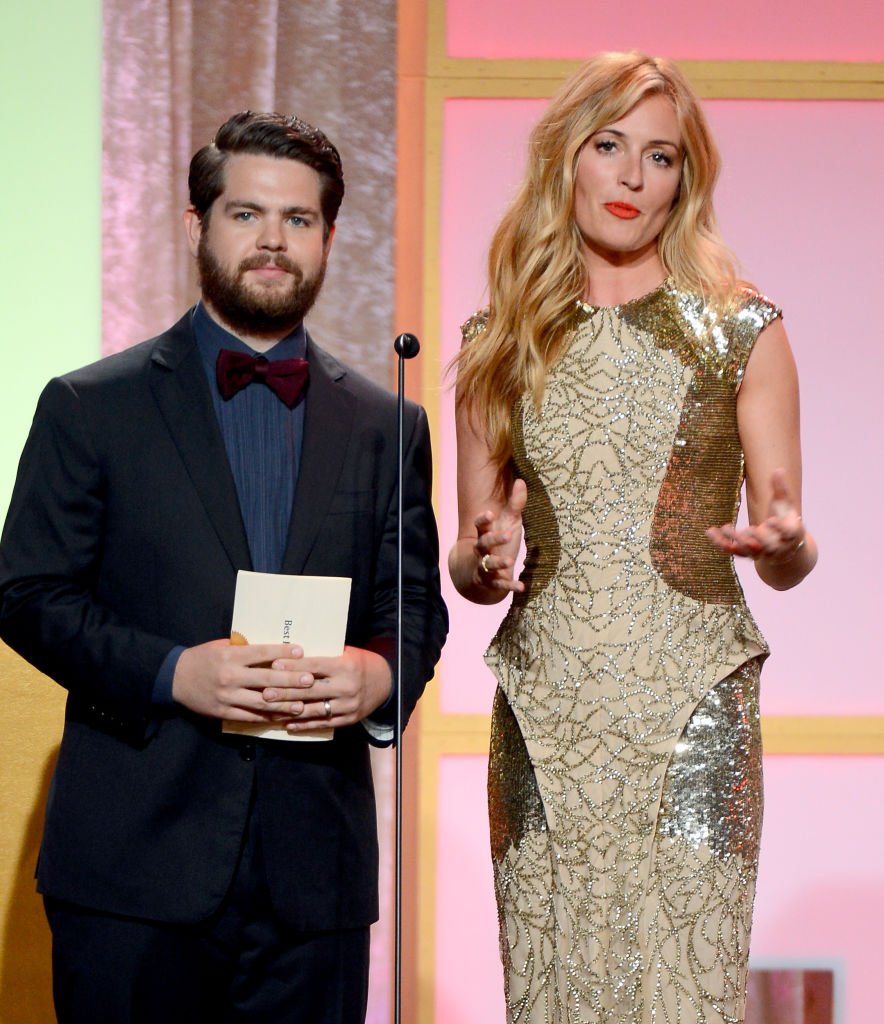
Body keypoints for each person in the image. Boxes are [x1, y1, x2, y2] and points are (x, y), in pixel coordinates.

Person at [0, 111, 447, 1023]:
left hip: (313, 878)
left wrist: (379, 674)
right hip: (130, 867)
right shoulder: (90, 406)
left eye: (299, 220)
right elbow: (29, 593)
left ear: (327, 237)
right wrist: (174, 673)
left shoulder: (386, 424)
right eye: (246, 215)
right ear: (197, 226)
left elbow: (414, 606)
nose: (273, 242)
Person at [448, 53, 817, 1023]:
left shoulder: (741, 331)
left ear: (681, 181)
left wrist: (782, 542)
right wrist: (479, 560)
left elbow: (788, 547)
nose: (628, 177)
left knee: (682, 993)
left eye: (657, 157)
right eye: (606, 147)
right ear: (563, 159)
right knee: (550, 987)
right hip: (544, 705)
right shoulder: (498, 340)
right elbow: (470, 557)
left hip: (692, 704)